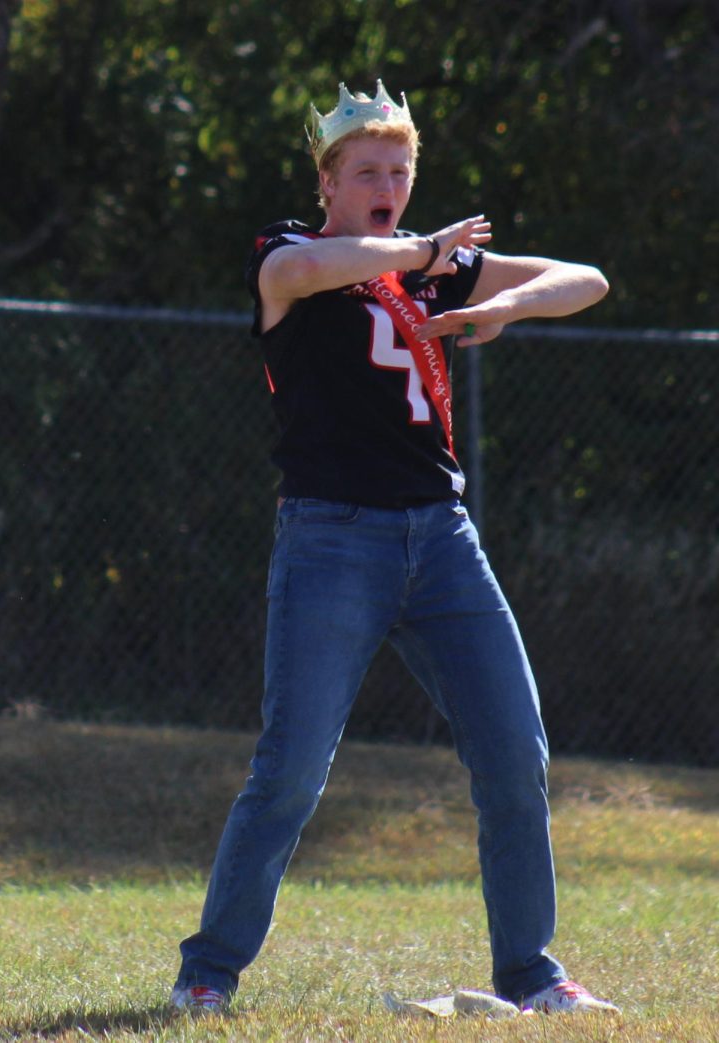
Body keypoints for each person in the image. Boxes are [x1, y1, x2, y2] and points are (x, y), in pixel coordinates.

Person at [170, 81, 618, 1016]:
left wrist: (508, 306)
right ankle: (208, 970)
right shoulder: (291, 249)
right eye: (367, 170)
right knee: (291, 768)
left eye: (400, 171)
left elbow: (588, 279)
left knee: (514, 752)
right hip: (332, 535)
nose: (388, 183)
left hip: (443, 537)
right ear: (328, 182)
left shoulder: (433, 266)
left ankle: (531, 974)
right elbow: (297, 280)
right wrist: (424, 251)